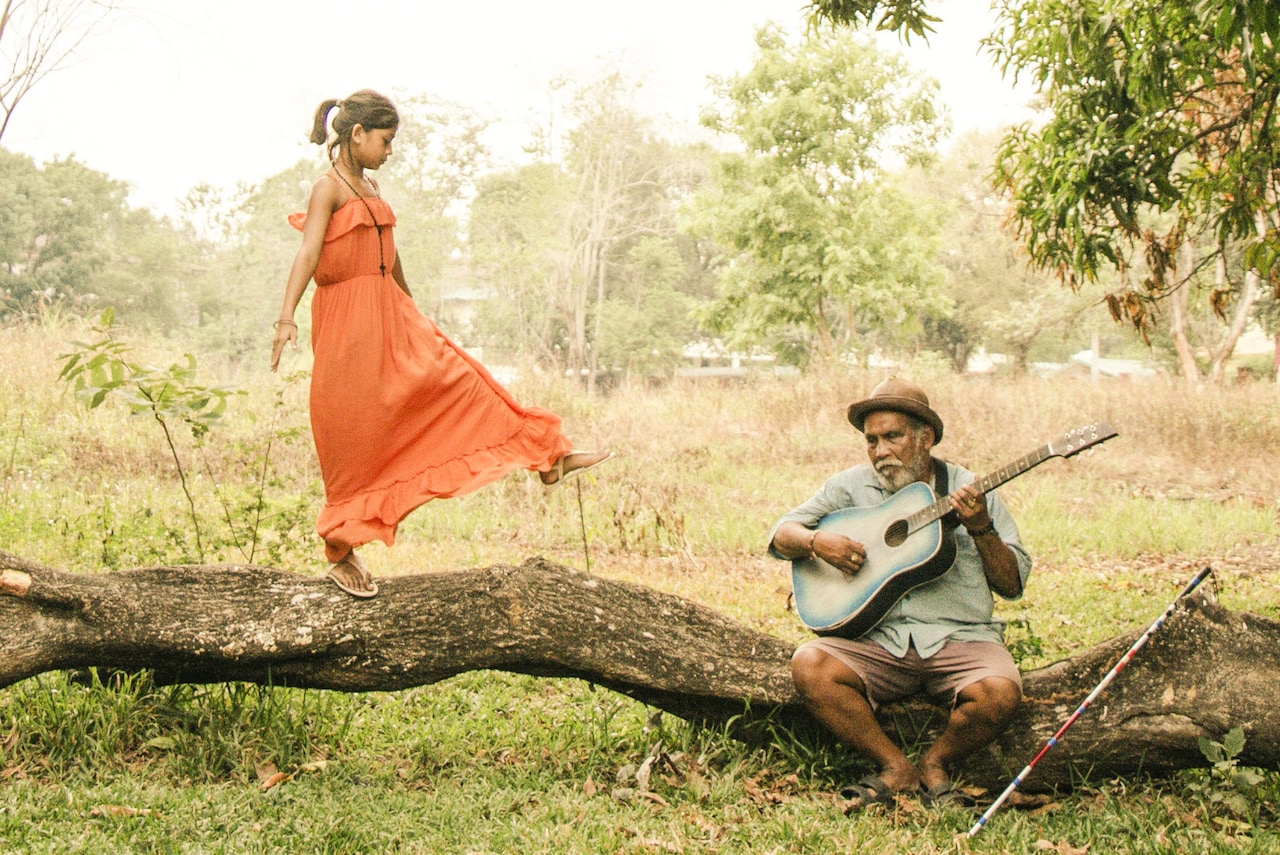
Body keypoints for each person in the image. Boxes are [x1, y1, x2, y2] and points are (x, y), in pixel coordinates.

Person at [270, 90, 609, 599]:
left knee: (462, 379)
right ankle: (341, 551)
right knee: (353, 433)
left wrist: (410, 307)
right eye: (385, 141)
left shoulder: (370, 184)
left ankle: (547, 456)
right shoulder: (328, 188)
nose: (390, 151)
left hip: (390, 311)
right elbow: (308, 252)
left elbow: (391, 252)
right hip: (347, 323)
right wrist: (284, 318)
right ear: (356, 134)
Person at [767, 377, 1031, 811]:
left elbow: (1012, 584)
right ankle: (895, 767)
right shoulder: (848, 486)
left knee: (1000, 692)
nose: (880, 451)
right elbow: (782, 534)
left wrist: (981, 527)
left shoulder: (970, 488)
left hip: (960, 638)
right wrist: (818, 543)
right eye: (871, 440)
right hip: (877, 641)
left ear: (925, 438)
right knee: (809, 664)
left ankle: (936, 763)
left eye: (893, 437)